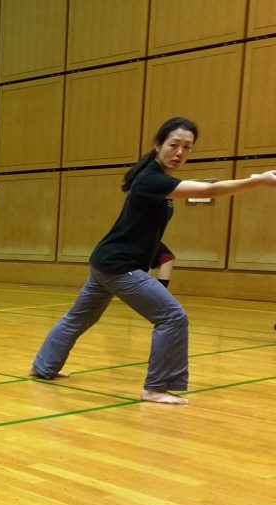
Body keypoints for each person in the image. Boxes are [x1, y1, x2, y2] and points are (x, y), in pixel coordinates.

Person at [30, 117, 276, 405]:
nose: (180, 153)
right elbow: (207, 190)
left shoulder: (153, 176)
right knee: (172, 317)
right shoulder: (151, 179)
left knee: (81, 317)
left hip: (107, 260)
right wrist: (256, 181)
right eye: (174, 145)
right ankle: (156, 387)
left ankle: (43, 367)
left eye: (187, 147)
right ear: (158, 144)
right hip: (119, 265)